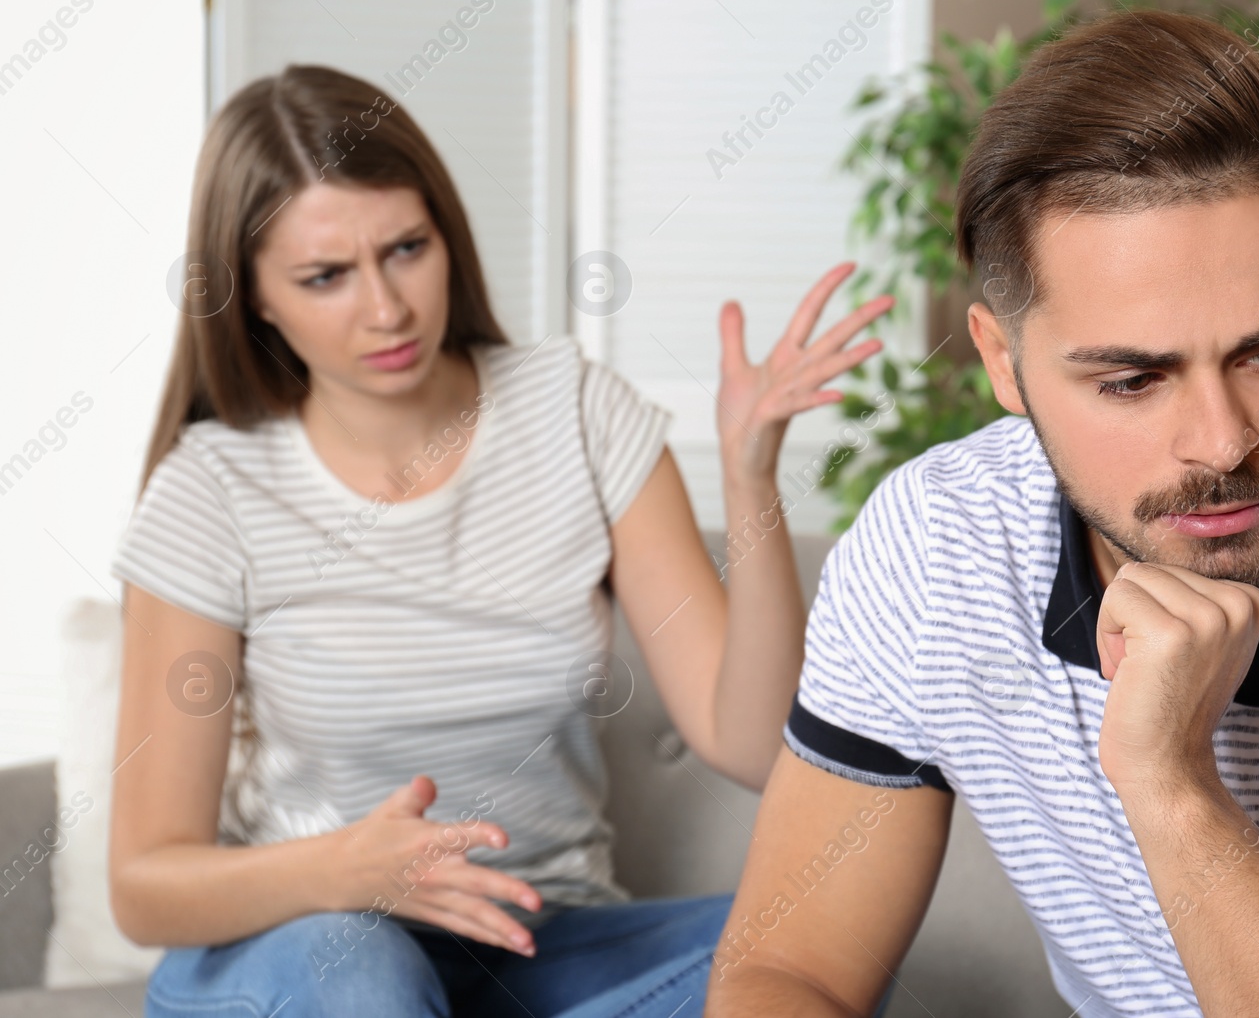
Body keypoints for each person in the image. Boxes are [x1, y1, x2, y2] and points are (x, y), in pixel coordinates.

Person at [707, 8, 1259, 1017]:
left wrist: (1171, 783)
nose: (1223, 444)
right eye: (1133, 379)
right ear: (1003, 362)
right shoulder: (934, 542)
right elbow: (789, 971)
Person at [106, 64, 892, 1018]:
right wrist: (349, 868)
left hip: (541, 938)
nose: (386, 308)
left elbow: (757, 743)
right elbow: (147, 882)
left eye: (405, 248)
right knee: (370, 980)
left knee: (819, 948)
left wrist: (750, 479)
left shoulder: (579, 412)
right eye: (325, 277)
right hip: (314, 942)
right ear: (256, 297)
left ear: (448, 237)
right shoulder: (213, 488)